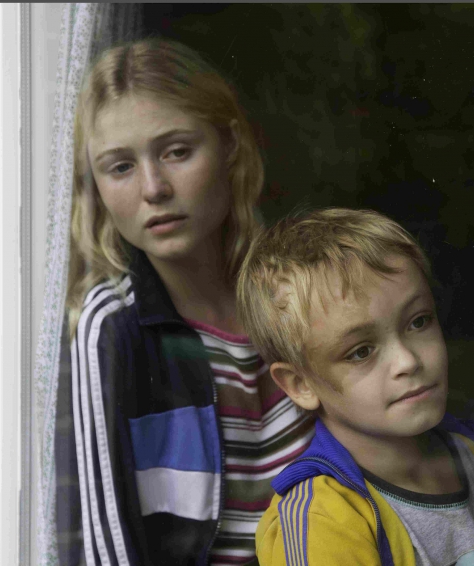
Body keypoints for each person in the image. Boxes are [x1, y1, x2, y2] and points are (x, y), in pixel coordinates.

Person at [54, 39, 315, 566]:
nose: (154, 188)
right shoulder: (114, 325)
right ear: (94, 184)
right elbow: (110, 549)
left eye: (176, 151)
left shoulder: (295, 294)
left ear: (230, 145)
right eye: (120, 167)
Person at [236, 208, 474, 566]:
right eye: (361, 351)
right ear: (301, 384)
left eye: (418, 322)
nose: (407, 361)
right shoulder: (320, 520)